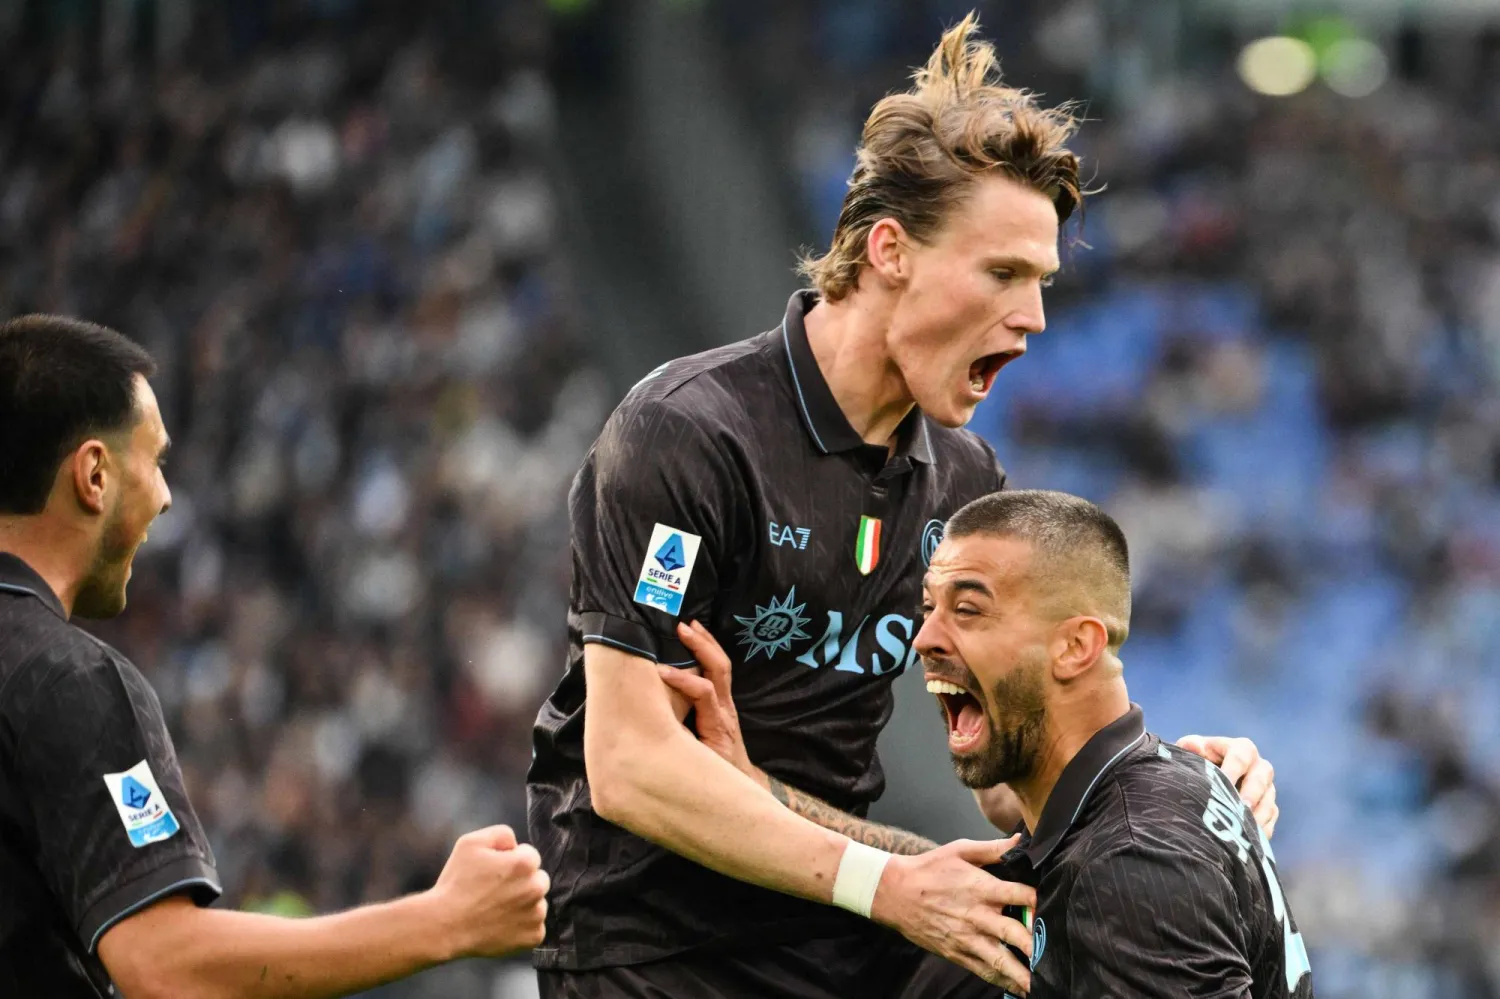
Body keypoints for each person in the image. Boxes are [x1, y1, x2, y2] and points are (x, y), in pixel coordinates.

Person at [527, 13, 1278, 998]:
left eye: (1043, 282)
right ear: (890, 251)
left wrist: (1165, 779)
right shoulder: (689, 435)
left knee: (1142, 922)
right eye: (1004, 273)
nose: (1035, 318)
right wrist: (884, 885)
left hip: (847, 932)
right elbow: (627, 764)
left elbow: (1021, 772)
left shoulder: (965, 485)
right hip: (657, 949)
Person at [0, 315, 550, 999]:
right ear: (94, 474)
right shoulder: (65, 677)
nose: (167, 496)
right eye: (156, 460)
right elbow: (163, 962)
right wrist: (445, 920)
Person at [673, 490, 1312, 998]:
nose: (923, 639)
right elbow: (927, 881)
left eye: (969, 610)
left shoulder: (1128, 861)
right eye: (927, 609)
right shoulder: (1139, 798)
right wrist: (757, 795)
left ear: (1074, 646)